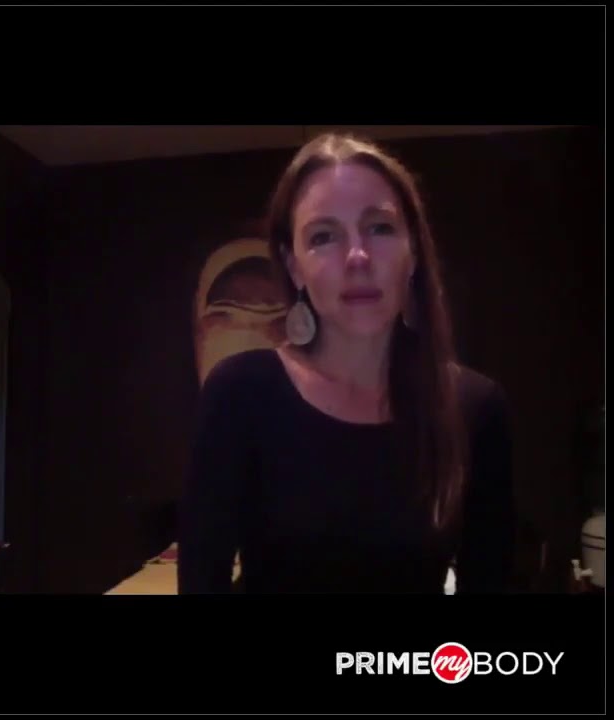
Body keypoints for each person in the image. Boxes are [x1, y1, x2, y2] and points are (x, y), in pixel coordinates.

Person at [178, 133, 516, 594]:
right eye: (323, 236)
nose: (357, 257)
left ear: (413, 252)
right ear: (294, 266)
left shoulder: (474, 408)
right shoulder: (240, 394)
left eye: (380, 228)